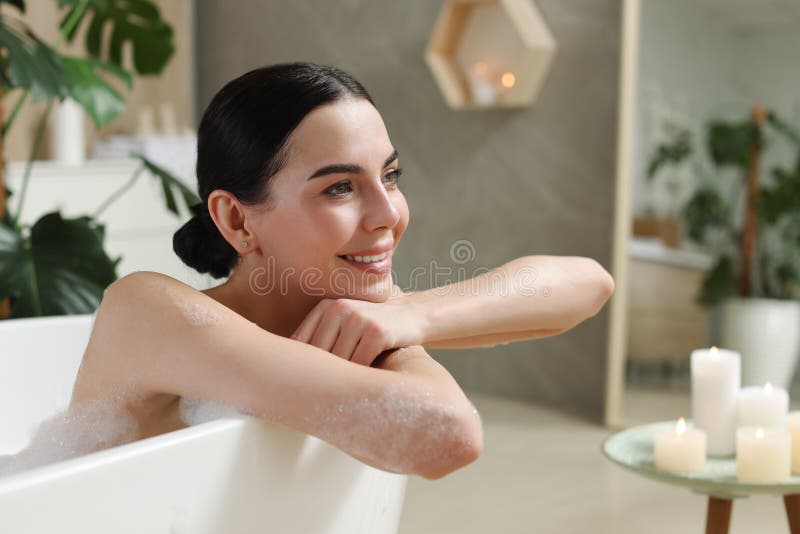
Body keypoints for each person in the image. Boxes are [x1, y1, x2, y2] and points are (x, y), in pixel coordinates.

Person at [68, 62, 615, 480]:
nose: (389, 215)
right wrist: (397, 331)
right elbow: (448, 435)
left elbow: (588, 283)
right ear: (236, 219)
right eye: (339, 187)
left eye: (391, 176)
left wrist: (410, 317)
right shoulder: (146, 310)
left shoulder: (364, 315)